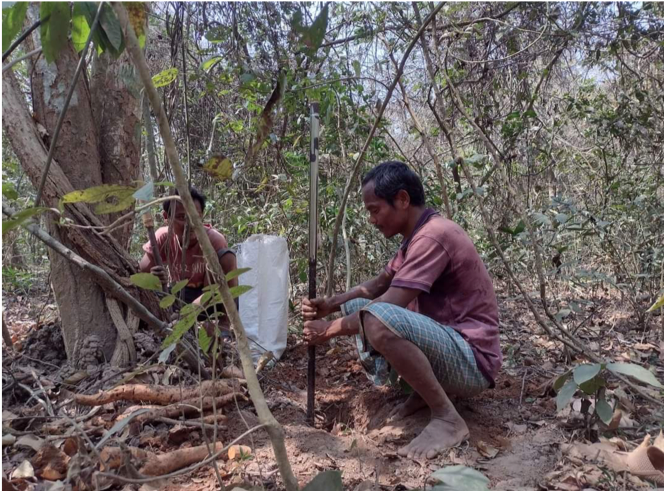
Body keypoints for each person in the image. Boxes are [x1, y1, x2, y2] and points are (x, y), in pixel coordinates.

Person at [302, 161, 501, 460]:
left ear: (403, 200)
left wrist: (329, 330)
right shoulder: (417, 237)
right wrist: (331, 303)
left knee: (378, 318)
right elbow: (379, 284)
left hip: (471, 359)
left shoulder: (433, 236)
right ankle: (422, 394)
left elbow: (386, 306)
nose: (372, 219)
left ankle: (447, 417)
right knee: (361, 307)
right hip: (452, 346)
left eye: (374, 209)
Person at [139, 187, 238, 331]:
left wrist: (185, 317)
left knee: (227, 257)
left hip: (210, 300)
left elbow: (211, 292)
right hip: (178, 295)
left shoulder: (213, 240)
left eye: (195, 216)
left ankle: (225, 325)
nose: (190, 224)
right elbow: (140, 272)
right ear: (166, 217)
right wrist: (155, 280)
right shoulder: (163, 237)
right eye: (181, 217)